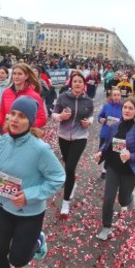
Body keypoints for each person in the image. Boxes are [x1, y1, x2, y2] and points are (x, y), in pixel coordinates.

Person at [0, 96, 65, 268]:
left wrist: (29, 195)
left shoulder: (40, 149)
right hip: (1, 206)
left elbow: (58, 177)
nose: (15, 119)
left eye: (21, 116)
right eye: (12, 114)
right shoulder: (0, 141)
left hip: (29, 213)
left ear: (30, 121)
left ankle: (38, 240)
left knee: (18, 259)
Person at [93, 98, 135, 240]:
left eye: (130, 108)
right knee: (108, 199)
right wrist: (100, 153)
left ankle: (128, 198)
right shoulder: (114, 127)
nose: (126, 110)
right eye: (125, 107)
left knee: (123, 200)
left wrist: (131, 155)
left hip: (129, 172)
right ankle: (106, 227)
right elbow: (107, 144)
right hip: (113, 168)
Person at [51, 72, 94, 215]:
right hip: (63, 136)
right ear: (71, 84)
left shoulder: (88, 101)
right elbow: (54, 115)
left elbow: (91, 117)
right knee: (68, 166)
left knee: (69, 168)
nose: (77, 84)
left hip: (80, 137)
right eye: (75, 81)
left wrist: (89, 122)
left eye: (80, 82)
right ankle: (72, 182)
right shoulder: (63, 98)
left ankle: (66, 202)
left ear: (84, 85)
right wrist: (60, 116)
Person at [0, 63, 47, 137]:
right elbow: (2, 112)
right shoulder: (6, 92)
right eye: (14, 74)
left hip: (25, 136)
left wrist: (24, 126)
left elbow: (42, 119)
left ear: (26, 76)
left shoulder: (34, 96)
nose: (16, 76)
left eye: (19, 74)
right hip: (8, 135)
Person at [97, 88, 123, 179]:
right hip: (105, 133)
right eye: (114, 95)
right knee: (102, 153)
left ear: (120, 96)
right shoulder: (106, 106)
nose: (116, 97)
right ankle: (104, 164)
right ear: (111, 96)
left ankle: (105, 170)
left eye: (118, 95)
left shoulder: (123, 107)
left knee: (112, 153)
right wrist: (101, 119)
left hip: (117, 135)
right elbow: (99, 116)